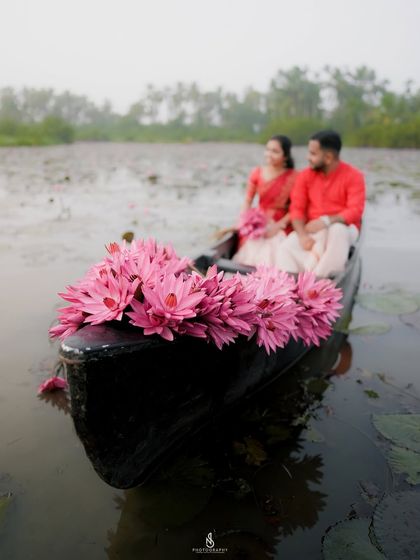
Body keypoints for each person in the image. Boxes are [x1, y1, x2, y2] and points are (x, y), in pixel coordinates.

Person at [272, 130, 365, 277]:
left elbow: (355, 211)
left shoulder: (354, 176)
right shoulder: (305, 175)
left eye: (313, 154)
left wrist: (326, 221)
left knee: (337, 231)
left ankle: (321, 285)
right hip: (312, 230)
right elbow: (297, 209)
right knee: (285, 248)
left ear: (328, 157)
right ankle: (288, 290)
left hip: (344, 229)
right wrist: (302, 235)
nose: (308, 158)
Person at [232, 134, 297, 266]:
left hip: (281, 223)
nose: (269, 154)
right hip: (258, 221)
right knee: (250, 243)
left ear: (285, 155)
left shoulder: (295, 177)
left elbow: (296, 208)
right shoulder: (257, 172)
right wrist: (243, 221)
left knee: (272, 249)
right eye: (268, 149)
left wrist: (277, 226)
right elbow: (248, 201)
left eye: (275, 151)